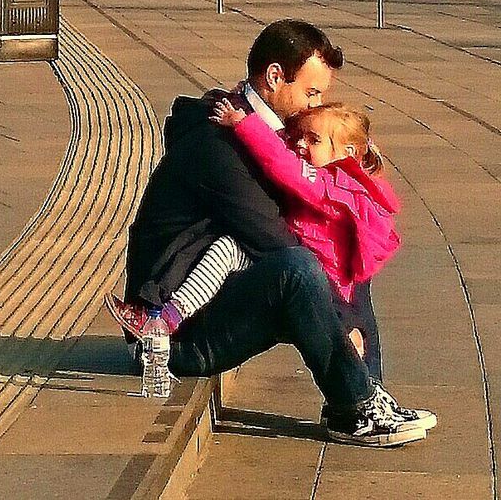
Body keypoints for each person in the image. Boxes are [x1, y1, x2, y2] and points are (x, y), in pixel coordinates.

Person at [118, 19, 432, 445]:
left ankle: (363, 393)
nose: (314, 104)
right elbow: (272, 238)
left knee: (348, 244)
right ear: (274, 77)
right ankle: (356, 404)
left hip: (215, 296)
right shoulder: (219, 146)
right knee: (298, 266)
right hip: (174, 331)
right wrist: (344, 323)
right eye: (310, 92)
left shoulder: (258, 129)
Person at [109, 99, 405, 390]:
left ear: (347, 153)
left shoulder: (327, 184)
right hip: (315, 277)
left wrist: (245, 124)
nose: (300, 144)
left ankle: (361, 394)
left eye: (312, 140)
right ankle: (369, 389)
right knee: (235, 251)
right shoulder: (348, 183)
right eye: (299, 136)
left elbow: (281, 163)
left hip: (315, 279)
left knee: (254, 256)